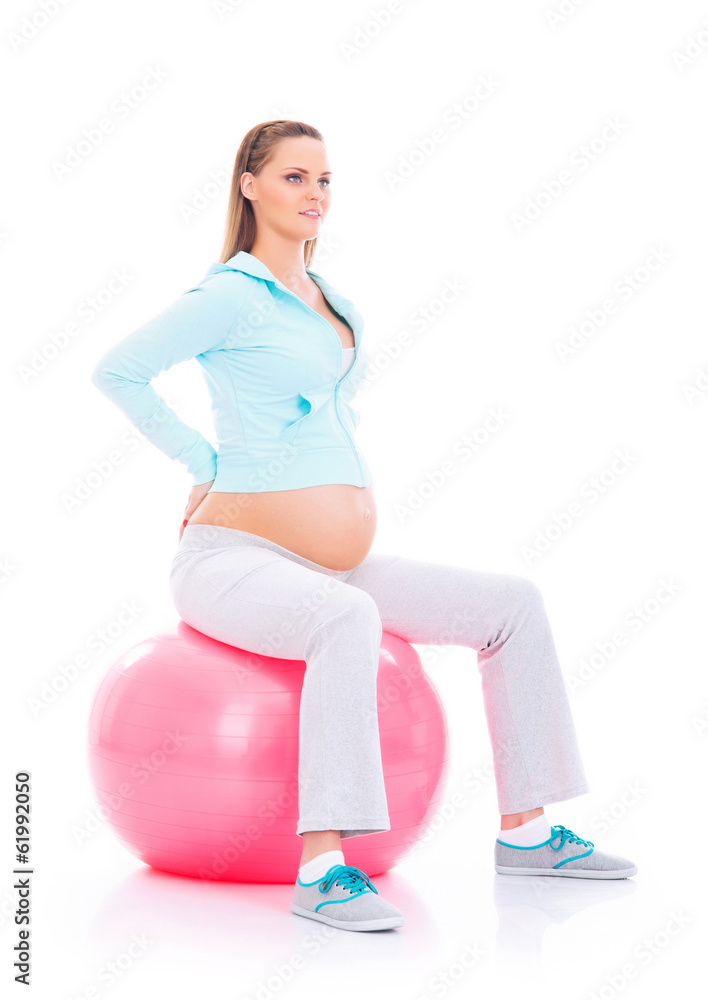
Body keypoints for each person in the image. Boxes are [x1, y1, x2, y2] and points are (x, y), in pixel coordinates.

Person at [90, 119, 637, 934]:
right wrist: (202, 464)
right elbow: (118, 370)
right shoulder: (230, 295)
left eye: (323, 180)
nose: (314, 195)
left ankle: (526, 831)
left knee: (511, 605)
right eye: (292, 178)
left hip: (328, 565)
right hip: (230, 558)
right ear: (248, 185)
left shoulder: (327, 297)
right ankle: (321, 868)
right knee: (349, 619)